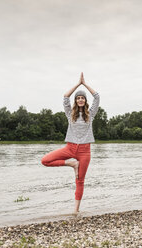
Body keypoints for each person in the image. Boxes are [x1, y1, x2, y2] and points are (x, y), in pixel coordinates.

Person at [41, 72, 100, 214]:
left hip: (85, 151)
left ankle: (75, 210)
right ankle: (71, 164)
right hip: (70, 148)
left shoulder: (90, 114)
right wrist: (77, 84)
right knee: (45, 160)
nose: (80, 100)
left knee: (80, 181)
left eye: (82, 98)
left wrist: (84, 84)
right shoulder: (70, 113)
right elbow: (66, 97)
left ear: (85, 101)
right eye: (78, 98)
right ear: (76, 101)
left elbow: (97, 97)